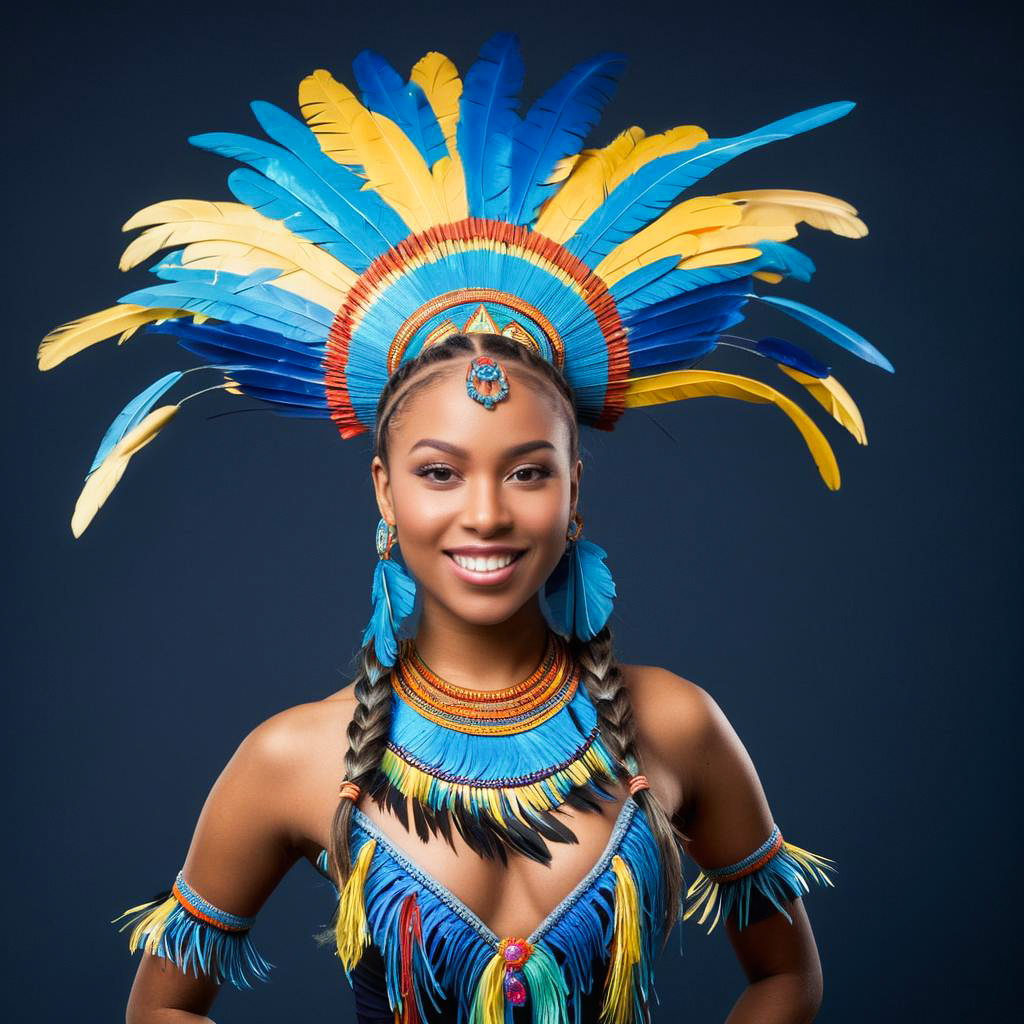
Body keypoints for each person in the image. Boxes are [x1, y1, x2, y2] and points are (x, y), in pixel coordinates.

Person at [39, 32, 889, 1024]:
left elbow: (785, 974)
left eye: (528, 472)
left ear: (574, 493)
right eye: (440, 473)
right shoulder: (292, 760)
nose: (485, 512)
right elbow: (161, 1008)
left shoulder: (676, 727)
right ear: (385, 492)